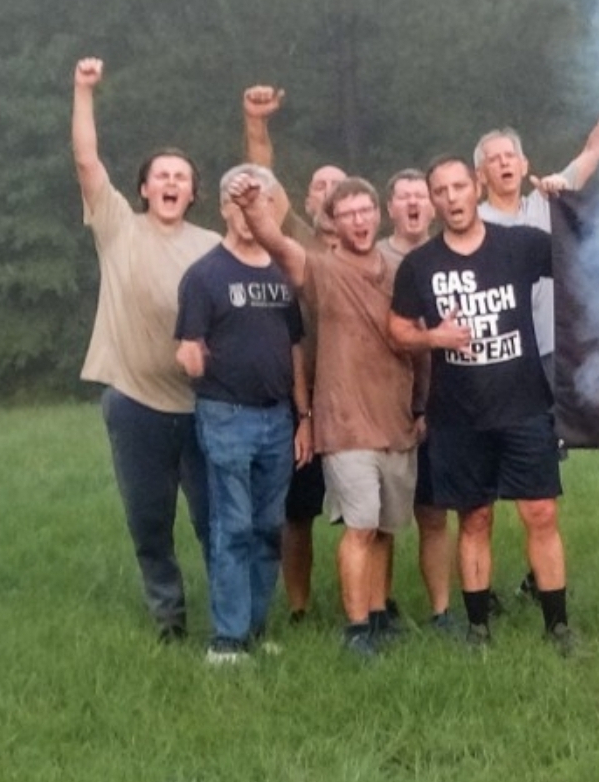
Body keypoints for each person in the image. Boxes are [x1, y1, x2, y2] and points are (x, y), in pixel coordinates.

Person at [235, 171, 428, 656]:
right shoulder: (320, 270)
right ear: (332, 222)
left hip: (396, 420)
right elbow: (278, 244)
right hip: (345, 423)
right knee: (360, 526)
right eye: (347, 214)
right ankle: (357, 630)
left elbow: (419, 343)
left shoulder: (399, 271)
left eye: (365, 211)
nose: (358, 221)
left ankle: (379, 614)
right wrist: (254, 207)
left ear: (378, 215)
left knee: (385, 528)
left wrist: (422, 406)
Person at [387, 155, 575, 653]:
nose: (452, 198)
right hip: (459, 416)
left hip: (524, 406)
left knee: (541, 513)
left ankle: (558, 626)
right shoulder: (420, 265)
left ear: (476, 186)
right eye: (441, 191)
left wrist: (562, 199)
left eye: (459, 187)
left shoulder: (520, 245)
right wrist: (434, 337)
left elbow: (577, 249)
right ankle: (477, 629)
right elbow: (397, 328)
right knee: (474, 519)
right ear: (433, 201)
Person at [71, 57, 222, 642]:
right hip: (135, 404)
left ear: (193, 192)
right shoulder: (118, 228)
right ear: (143, 188)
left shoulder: (213, 248)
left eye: (181, 177)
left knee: (215, 521)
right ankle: (169, 620)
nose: (171, 183)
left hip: (205, 407)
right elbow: (87, 160)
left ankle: (231, 620)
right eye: (161, 175)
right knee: (150, 523)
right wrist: (84, 90)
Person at [176, 164, 310, 663]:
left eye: (260, 202)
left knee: (269, 527)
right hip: (226, 415)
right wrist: (191, 358)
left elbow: (295, 348)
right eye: (238, 203)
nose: (248, 213)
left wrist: (304, 417)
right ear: (224, 209)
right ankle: (226, 639)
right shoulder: (204, 275)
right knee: (232, 526)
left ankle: (254, 628)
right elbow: (189, 343)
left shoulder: (282, 273)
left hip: (278, 419)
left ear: (272, 209)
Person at [473, 56, 599, 391]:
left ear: (524, 165)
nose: (504, 163)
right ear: (481, 175)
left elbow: (594, 150)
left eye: (510, 156)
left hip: (554, 351)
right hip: (502, 358)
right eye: (494, 159)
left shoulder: (547, 201)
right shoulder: (474, 223)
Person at [240, 90, 339, 625]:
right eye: (320, 186)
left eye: (339, 186)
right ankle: (299, 607)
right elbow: (260, 181)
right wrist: (256, 124)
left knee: (368, 514)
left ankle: (374, 602)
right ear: (306, 200)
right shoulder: (295, 239)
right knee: (297, 513)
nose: (330, 193)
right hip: (298, 397)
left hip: (354, 401)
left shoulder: (371, 250)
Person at [378, 166, 452, 629]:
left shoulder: (451, 254)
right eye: (403, 196)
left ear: (433, 205)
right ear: (390, 208)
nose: (413, 203)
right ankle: (379, 607)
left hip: (443, 403)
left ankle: (441, 611)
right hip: (386, 405)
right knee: (381, 520)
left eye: (420, 196)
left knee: (434, 514)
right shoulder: (375, 259)